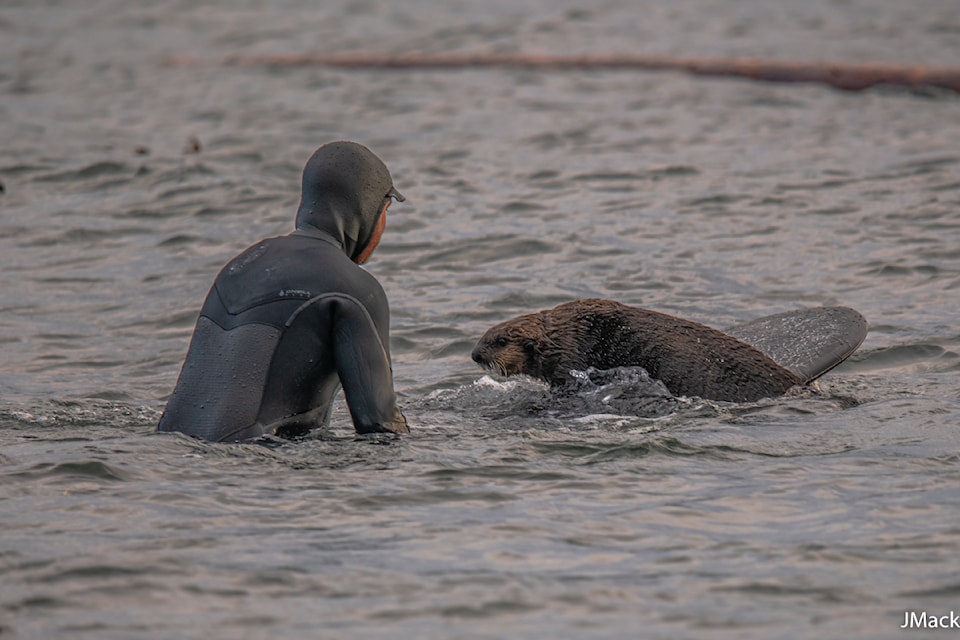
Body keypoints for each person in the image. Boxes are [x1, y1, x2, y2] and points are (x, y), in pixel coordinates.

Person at [158, 141, 409, 442]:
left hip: (176, 454)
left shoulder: (239, 268)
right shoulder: (355, 289)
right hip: (254, 470)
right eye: (386, 212)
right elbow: (380, 427)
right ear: (369, 209)